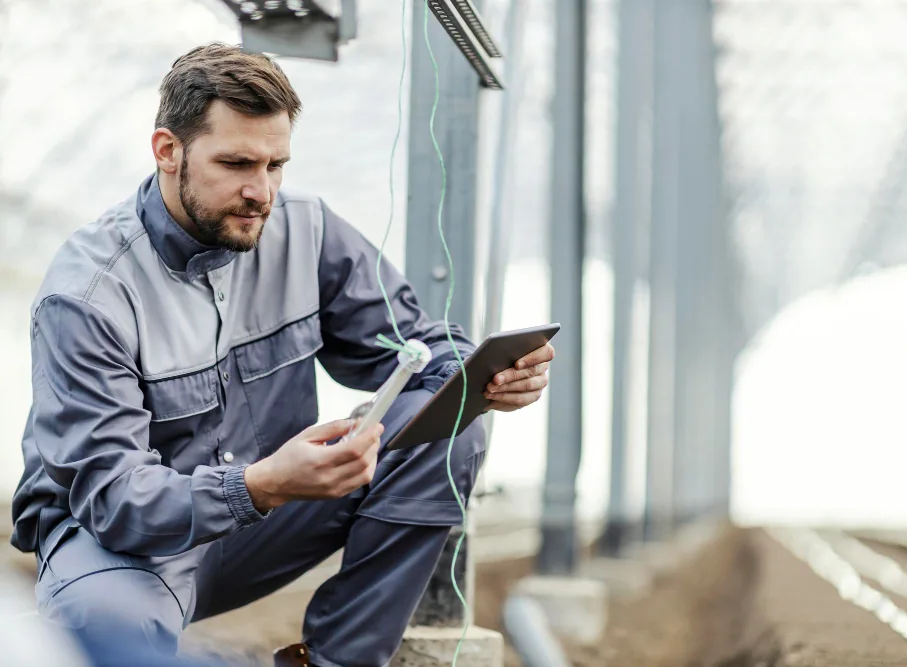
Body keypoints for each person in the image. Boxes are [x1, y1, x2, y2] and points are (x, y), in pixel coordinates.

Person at [10, 42, 554, 667]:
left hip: (263, 520)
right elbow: (113, 501)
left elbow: (421, 343)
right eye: (237, 163)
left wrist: (484, 378)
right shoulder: (90, 295)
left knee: (447, 427)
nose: (261, 191)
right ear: (167, 151)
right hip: (127, 550)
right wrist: (258, 485)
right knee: (104, 626)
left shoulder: (305, 230)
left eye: (276, 165)